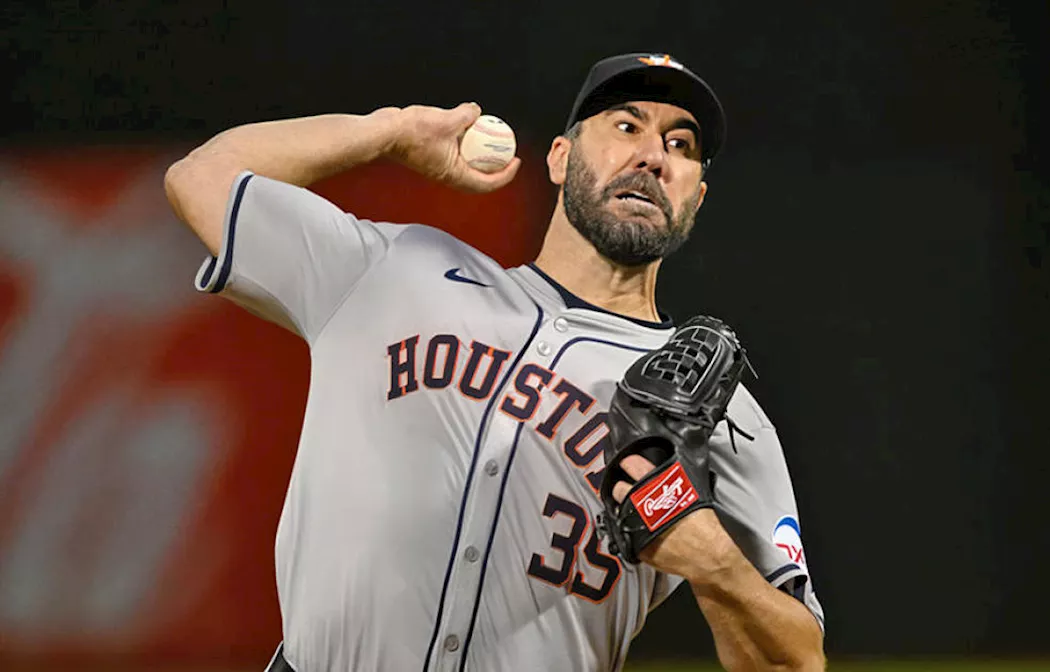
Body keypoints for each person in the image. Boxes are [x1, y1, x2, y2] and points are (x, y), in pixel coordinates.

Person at [164, 52, 825, 672]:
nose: (654, 155)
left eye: (682, 146)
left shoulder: (721, 410)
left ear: (696, 198)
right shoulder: (397, 270)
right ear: (560, 158)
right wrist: (386, 133)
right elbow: (201, 180)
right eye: (627, 125)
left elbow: (796, 659)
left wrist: (711, 561)